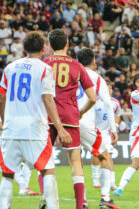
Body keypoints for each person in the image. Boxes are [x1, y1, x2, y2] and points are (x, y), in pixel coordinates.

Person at [0, 31, 72, 208]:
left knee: (7, 174)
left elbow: (1, 98)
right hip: (35, 129)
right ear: (43, 48)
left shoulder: (10, 67)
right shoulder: (44, 69)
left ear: (24, 49)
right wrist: (61, 129)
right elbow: (48, 99)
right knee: (47, 171)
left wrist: (4, 121)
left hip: (11, 129)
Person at [43, 29, 96, 209]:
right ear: (67, 44)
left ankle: (47, 200)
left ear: (50, 45)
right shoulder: (77, 65)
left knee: (46, 160)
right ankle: (80, 205)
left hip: (47, 116)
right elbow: (93, 98)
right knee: (75, 161)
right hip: (69, 116)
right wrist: (81, 112)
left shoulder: (44, 64)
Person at [76, 48, 119, 208]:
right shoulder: (96, 77)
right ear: (93, 62)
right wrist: (113, 130)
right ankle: (105, 199)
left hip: (68, 122)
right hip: (85, 121)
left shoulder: (71, 74)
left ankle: (82, 202)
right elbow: (108, 103)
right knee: (105, 157)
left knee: (76, 161)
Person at [92, 83, 121, 192]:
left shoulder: (115, 103)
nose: (109, 90)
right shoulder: (95, 101)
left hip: (108, 133)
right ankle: (95, 179)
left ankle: (112, 183)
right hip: (96, 131)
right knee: (97, 155)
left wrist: (116, 126)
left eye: (110, 88)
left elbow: (118, 114)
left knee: (109, 156)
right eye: (107, 88)